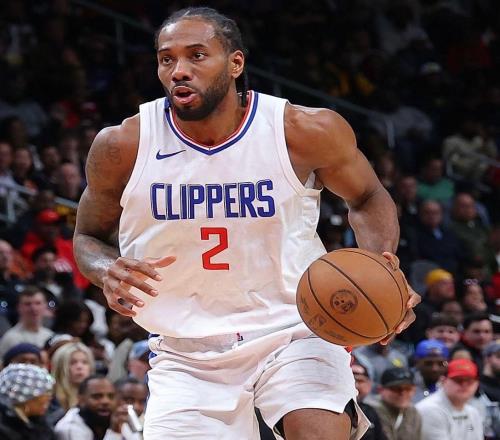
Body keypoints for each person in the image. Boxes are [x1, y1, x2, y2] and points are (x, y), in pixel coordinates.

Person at [73, 7, 420, 440]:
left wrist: (382, 267)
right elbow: (87, 236)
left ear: (235, 63)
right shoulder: (122, 145)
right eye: (166, 59)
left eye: (197, 55)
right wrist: (107, 269)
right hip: (185, 351)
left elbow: (367, 196)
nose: (179, 70)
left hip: (296, 329)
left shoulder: (303, 131)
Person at [54, 375, 139, 440]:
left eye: (111, 396)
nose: (106, 401)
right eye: (97, 396)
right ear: (81, 400)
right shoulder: (70, 428)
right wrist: (115, 432)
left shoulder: (116, 418)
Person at [416, 358, 484, 440]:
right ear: (443, 381)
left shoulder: (473, 412)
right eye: (458, 380)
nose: (464, 385)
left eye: (469, 381)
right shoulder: (429, 409)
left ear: (477, 384)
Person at [0, 363, 56, 440]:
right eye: (45, 392)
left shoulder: (39, 422)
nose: (49, 397)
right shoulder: (5, 431)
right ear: (26, 398)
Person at [365, 367, 422, 440]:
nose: (403, 393)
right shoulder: (370, 409)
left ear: (414, 390)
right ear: (381, 390)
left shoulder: (413, 412)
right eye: (396, 388)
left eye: (408, 389)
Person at [0, 286, 53, 358]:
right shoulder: (10, 338)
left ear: (45, 306)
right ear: (19, 307)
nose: (33, 308)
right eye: (28, 304)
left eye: (38, 303)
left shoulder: (50, 336)